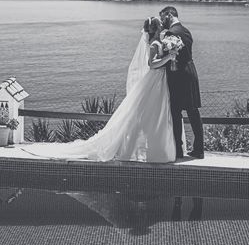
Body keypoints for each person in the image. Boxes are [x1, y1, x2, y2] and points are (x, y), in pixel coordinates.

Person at [21, 17, 177, 163]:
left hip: (159, 81)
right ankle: (147, 151)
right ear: (156, 29)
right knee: (151, 113)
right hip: (155, 80)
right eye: (161, 25)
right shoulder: (154, 44)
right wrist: (169, 57)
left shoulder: (158, 41)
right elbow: (152, 64)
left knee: (155, 114)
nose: (163, 27)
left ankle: (152, 150)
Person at [159, 6, 205, 158]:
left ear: (169, 15)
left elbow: (169, 57)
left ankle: (178, 150)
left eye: (162, 17)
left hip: (178, 76)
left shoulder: (172, 33)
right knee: (193, 112)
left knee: (176, 113)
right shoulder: (186, 31)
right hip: (191, 73)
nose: (161, 21)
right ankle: (199, 149)